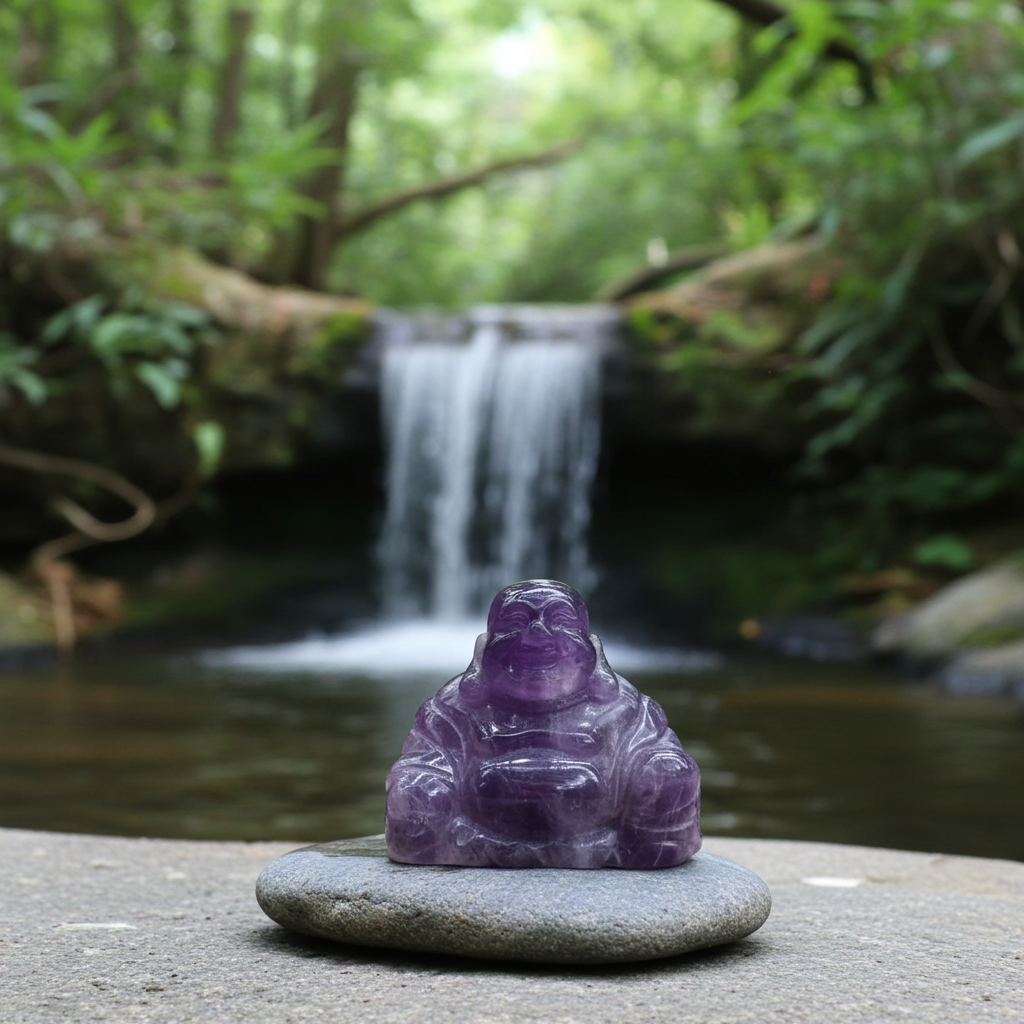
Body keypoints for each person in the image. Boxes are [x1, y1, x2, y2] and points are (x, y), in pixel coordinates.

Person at [384, 580, 701, 868]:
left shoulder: (624, 707)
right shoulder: (455, 707)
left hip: (603, 837)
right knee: (413, 795)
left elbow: (655, 751)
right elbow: (424, 762)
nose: (537, 637)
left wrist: (663, 774)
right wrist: (422, 789)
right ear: (485, 645)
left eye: (560, 621)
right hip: (474, 835)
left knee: (671, 775)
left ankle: (628, 847)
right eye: (516, 622)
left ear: (591, 645)